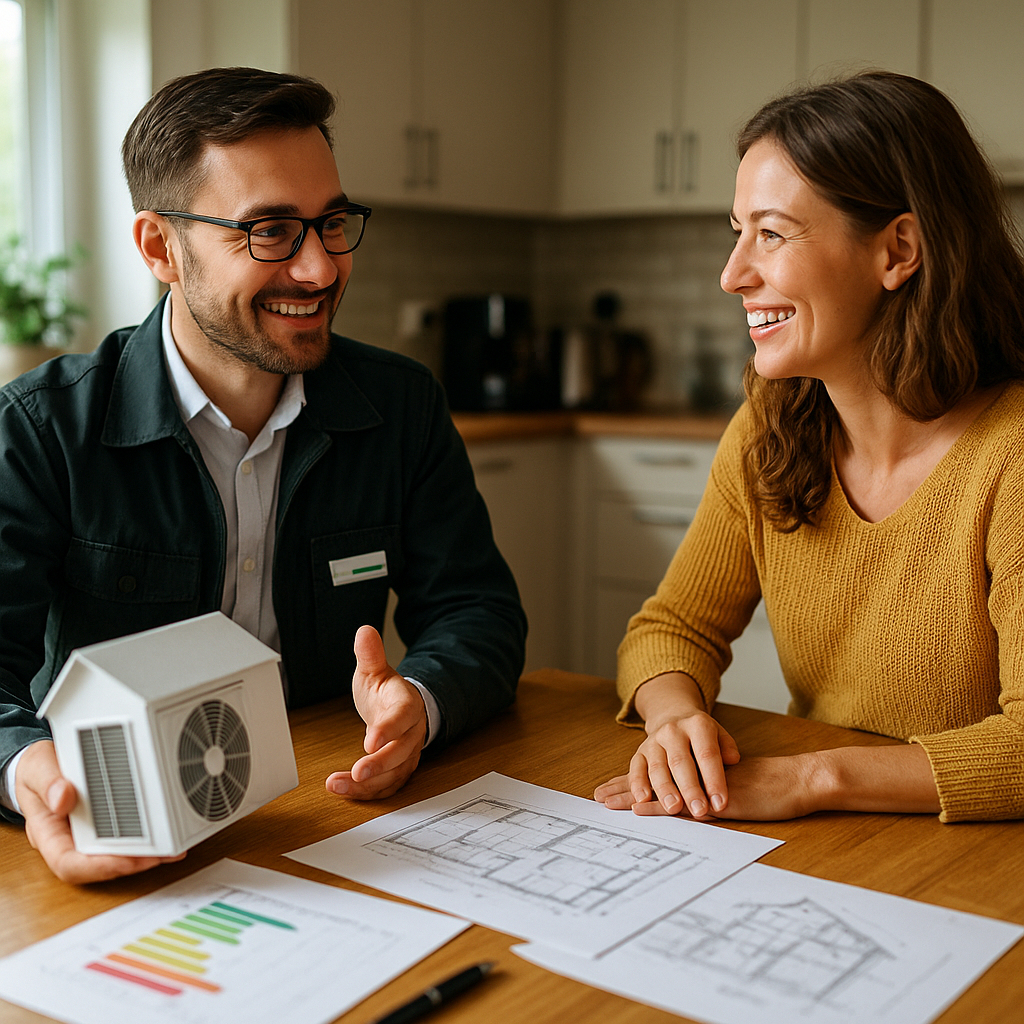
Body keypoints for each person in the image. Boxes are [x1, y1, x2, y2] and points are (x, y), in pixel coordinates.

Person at [0, 67, 526, 882]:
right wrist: (30, 774)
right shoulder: (40, 429)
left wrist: (416, 703)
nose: (320, 270)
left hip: (333, 821)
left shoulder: (402, 405)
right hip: (119, 838)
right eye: (270, 231)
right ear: (160, 248)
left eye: (332, 222)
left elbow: (477, 611)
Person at [595, 71, 1024, 825]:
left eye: (772, 233)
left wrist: (809, 779)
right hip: (834, 849)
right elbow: (670, 630)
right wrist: (674, 724)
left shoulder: (1011, 455)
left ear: (898, 250)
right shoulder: (772, 425)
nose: (734, 276)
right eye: (738, 233)